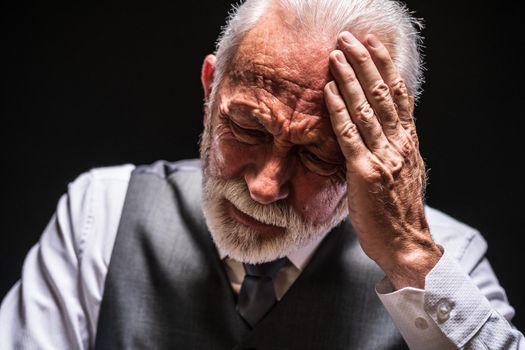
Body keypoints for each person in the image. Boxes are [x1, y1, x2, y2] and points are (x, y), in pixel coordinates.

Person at [0, 0, 523, 348]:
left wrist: (409, 256)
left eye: (318, 157)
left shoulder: (450, 257)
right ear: (211, 91)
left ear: (384, 151)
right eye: (247, 126)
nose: (264, 186)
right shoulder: (101, 213)